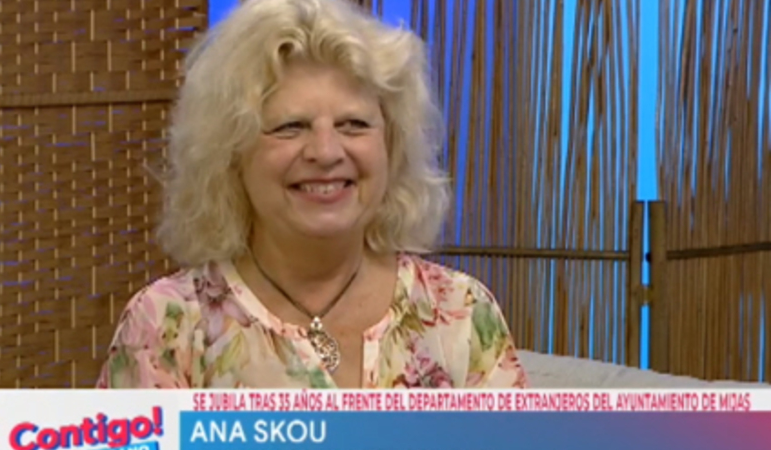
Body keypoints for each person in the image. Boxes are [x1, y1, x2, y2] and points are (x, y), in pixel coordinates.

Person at [97, 0, 528, 389]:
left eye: (353, 125)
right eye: (290, 127)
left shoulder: (462, 312)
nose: (326, 152)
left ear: (391, 146)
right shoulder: (165, 327)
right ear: (230, 154)